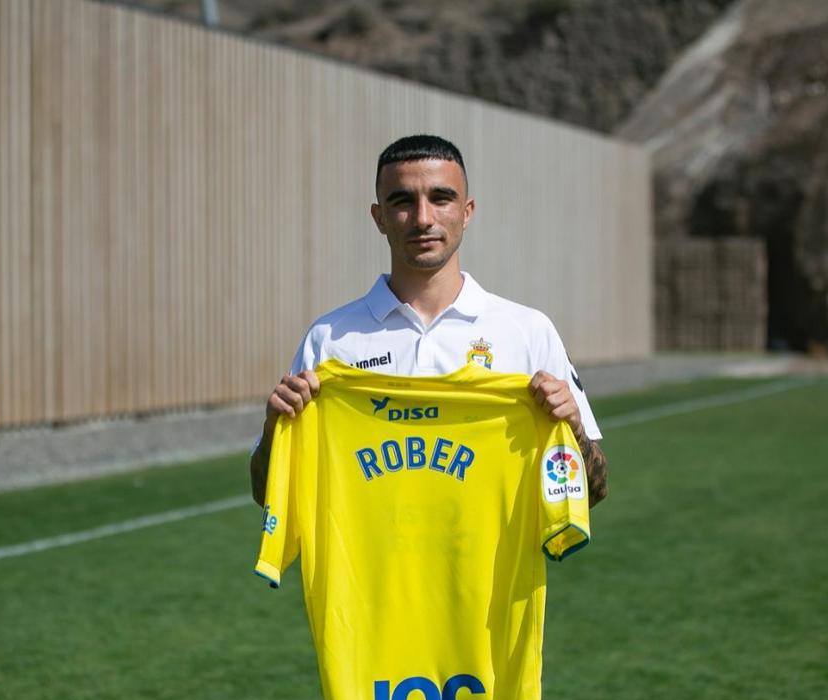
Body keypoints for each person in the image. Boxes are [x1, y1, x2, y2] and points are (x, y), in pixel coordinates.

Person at [249, 133, 608, 508]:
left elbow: (593, 491)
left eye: (440, 198)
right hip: (365, 568)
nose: (423, 218)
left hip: (488, 569)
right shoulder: (329, 339)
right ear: (379, 217)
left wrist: (574, 430)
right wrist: (276, 428)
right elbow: (269, 496)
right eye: (402, 201)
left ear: (467, 212)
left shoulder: (527, 331)